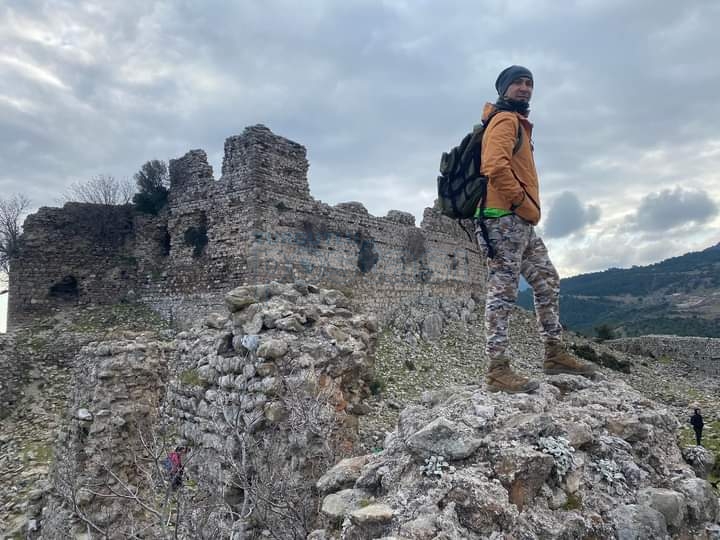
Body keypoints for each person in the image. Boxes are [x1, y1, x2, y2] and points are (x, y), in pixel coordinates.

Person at [477, 65, 597, 393]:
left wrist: (524, 210)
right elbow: (494, 166)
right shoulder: (504, 120)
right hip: (502, 218)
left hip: (519, 222)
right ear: (503, 88)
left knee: (547, 280)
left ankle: (554, 353)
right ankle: (497, 369)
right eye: (517, 82)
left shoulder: (518, 123)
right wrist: (521, 202)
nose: (525, 88)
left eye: (529, 83)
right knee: (503, 290)